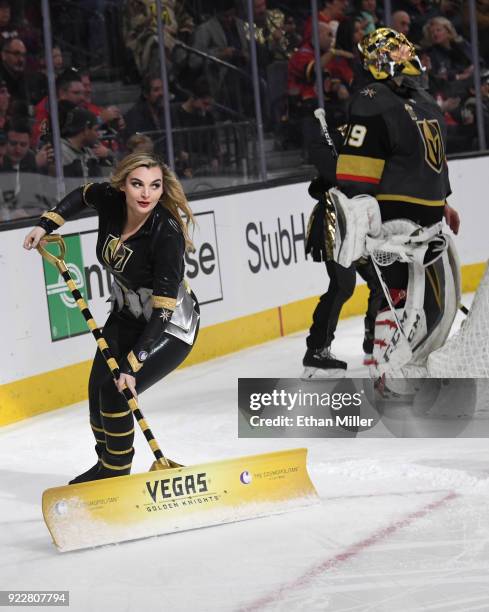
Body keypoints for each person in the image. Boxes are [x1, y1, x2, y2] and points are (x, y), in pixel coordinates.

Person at [23, 152, 200, 483]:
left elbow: (163, 310)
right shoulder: (110, 201)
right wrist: (45, 224)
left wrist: (133, 365)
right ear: (123, 186)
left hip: (169, 327)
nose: (146, 194)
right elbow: (82, 196)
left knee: (117, 394)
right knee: (97, 392)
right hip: (126, 313)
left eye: (154, 186)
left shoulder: (166, 232)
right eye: (137, 185)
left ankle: (115, 477)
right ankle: (107, 465)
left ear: (163, 189)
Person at [332, 27, 460, 382]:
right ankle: (387, 375)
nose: (409, 56)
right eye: (400, 52)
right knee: (401, 299)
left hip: (431, 218)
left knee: (436, 307)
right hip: (396, 222)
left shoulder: (424, 100)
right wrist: (362, 214)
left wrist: (444, 201)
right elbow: (356, 173)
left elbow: (433, 159)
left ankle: (411, 369)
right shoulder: (373, 98)